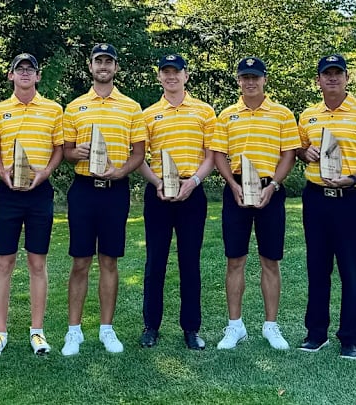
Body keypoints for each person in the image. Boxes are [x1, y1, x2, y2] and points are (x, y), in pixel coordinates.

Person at [296, 54, 356, 360]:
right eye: (327, 74)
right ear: (318, 80)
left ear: (347, 78)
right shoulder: (308, 115)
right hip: (316, 199)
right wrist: (303, 151)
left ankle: (350, 338)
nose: (333, 78)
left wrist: (352, 178)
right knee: (317, 268)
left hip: (351, 200)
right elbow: (299, 147)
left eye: (338, 73)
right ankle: (316, 334)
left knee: (352, 271)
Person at [61, 43, 147, 356]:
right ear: (90, 65)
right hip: (83, 190)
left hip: (115, 192)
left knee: (109, 260)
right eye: (98, 61)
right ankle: (74, 331)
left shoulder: (131, 107)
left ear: (116, 67)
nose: (103, 67)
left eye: (109, 62)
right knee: (80, 261)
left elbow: (138, 154)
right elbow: (66, 151)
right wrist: (75, 153)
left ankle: (107, 330)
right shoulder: (75, 106)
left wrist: (120, 170)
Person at [210, 57, 300, 350]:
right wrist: (232, 184)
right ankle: (235, 326)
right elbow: (219, 155)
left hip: (269, 191)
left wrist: (274, 186)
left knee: (270, 261)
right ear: (238, 80)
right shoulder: (226, 115)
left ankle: (270, 326)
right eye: (245, 77)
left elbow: (289, 155)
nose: (250, 82)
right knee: (235, 260)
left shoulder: (283, 114)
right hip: (236, 191)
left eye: (255, 77)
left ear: (264, 79)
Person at [0, 53, 63, 358]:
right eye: (20, 70)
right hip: (9, 194)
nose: (25, 74)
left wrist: (45, 173)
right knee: (4, 263)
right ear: (11, 76)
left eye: (31, 69)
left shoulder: (54, 110)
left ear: (38, 76)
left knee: (37, 263)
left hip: (40, 192)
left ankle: (37, 332)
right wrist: (3, 173)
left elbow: (58, 149)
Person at [137, 54, 215, 350]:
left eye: (176, 72)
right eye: (165, 72)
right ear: (159, 77)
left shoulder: (205, 111)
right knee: (155, 262)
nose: (171, 77)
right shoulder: (148, 114)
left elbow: (211, 156)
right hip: (158, 194)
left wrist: (193, 182)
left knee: (189, 262)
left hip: (192, 192)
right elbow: (139, 157)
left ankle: (191, 328)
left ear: (186, 75)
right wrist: (157, 183)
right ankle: (150, 327)